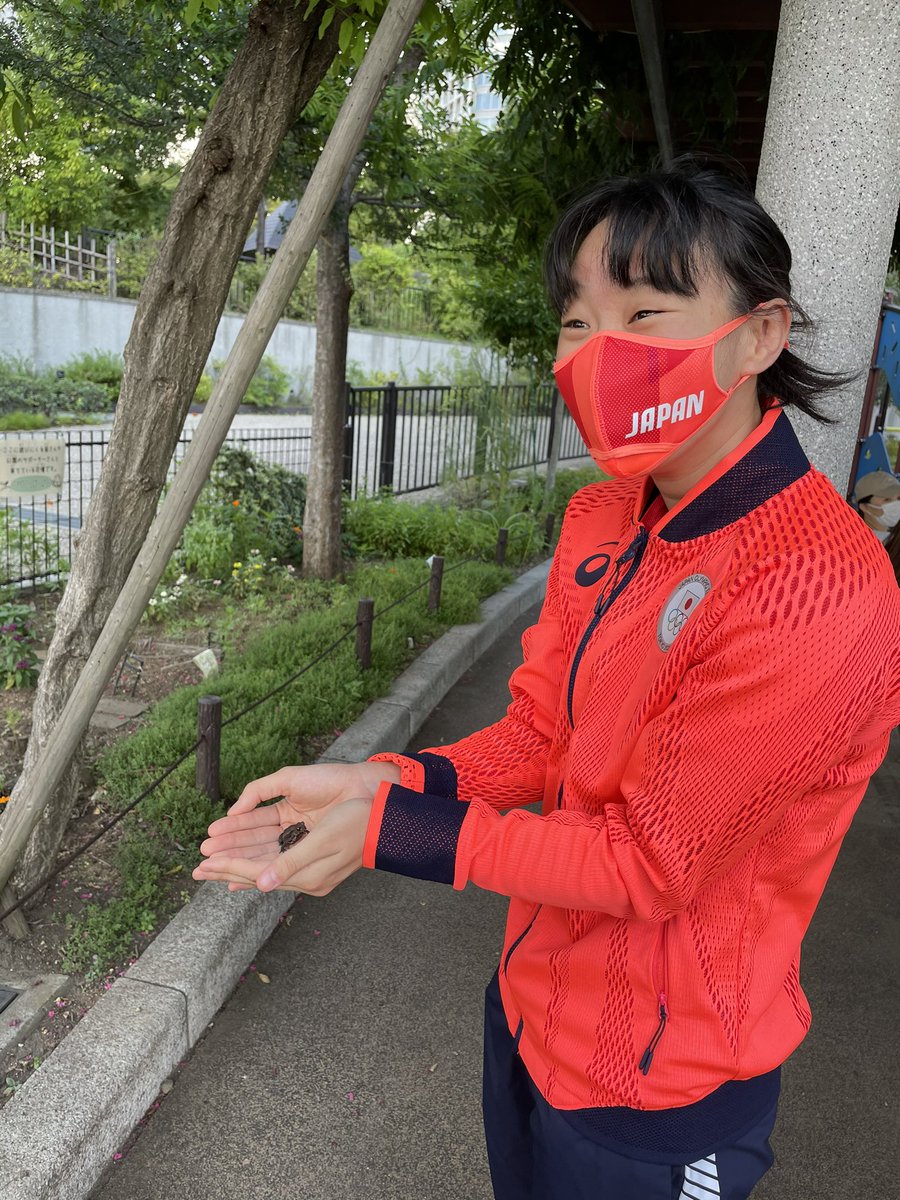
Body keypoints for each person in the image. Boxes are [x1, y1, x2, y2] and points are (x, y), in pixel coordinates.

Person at [193, 159, 900, 1200]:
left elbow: (651, 866)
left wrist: (394, 832)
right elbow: (537, 735)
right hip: (529, 1014)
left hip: (666, 1091)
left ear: (759, 335)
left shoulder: (816, 583)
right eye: (577, 322)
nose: (600, 352)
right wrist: (387, 781)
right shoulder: (602, 515)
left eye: (645, 313)